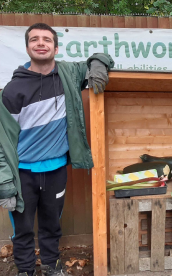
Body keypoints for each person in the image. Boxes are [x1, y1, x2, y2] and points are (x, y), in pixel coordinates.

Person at [0, 23, 114, 276]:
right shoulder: (12, 90)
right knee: (23, 229)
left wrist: (98, 66)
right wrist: (4, 180)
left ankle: (52, 267)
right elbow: (1, 140)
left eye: (46, 39)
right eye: (35, 39)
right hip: (22, 174)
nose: (41, 43)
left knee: (52, 226)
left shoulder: (69, 75)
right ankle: (26, 270)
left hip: (56, 170)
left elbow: (101, 57)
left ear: (55, 46)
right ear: (28, 47)